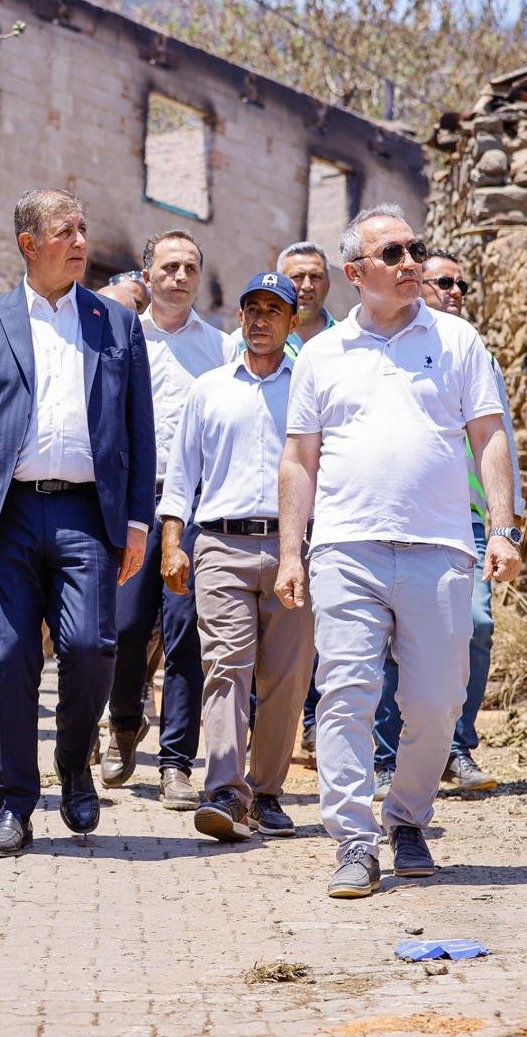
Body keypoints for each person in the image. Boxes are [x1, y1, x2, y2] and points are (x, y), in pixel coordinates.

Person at [275, 204, 522, 899]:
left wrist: (502, 528)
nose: (412, 261)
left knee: (437, 701)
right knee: (347, 695)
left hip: (440, 545)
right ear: (356, 272)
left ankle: (408, 818)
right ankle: (355, 842)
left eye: (416, 248)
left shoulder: (457, 340)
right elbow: (299, 459)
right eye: (394, 253)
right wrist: (292, 553)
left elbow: (490, 436)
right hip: (346, 548)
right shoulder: (322, 353)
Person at [0, 188, 156, 858]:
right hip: (7, 513)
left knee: (92, 645)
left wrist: (139, 522)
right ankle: (13, 803)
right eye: (67, 231)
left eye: (84, 229)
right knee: (7, 656)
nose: (82, 242)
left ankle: (75, 763)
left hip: (89, 514)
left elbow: (140, 435)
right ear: (30, 244)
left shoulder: (116, 325)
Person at [160, 271, 310, 841]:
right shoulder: (209, 389)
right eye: (253, 308)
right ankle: (225, 789)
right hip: (220, 544)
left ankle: (267, 791)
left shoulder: (308, 391)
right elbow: (182, 475)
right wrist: (173, 544)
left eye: (275, 310)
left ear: (292, 322)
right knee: (225, 665)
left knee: (288, 677)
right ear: (241, 316)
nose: (262, 319)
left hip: (293, 547)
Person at [368, 251, 525, 796]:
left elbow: (497, 436)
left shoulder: (475, 352)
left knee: (475, 628)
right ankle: (387, 758)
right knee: (395, 639)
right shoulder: (393, 352)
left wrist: (510, 518)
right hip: (406, 519)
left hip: (472, 521)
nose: (455, 290)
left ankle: (456, 746)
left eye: (462, 283)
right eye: (444, 282)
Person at [101, 230, 237, 810]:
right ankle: (125, 722)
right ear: (147, 273)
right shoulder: (123, 340)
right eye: (169, 266)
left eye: (189, 268)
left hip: (201, 508)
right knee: (127, 628)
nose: (179, 277)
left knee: (186, 636)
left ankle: (177, 763)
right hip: (136, 503)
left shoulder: (222, 348)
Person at [277, 240, 336, 764]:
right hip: (276, 500)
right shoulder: (251, 342)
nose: (306, 285)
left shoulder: (353, 343)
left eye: (315, 276)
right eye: (296, 276)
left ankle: (318, 721)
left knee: (325, 618)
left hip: (335, 503)